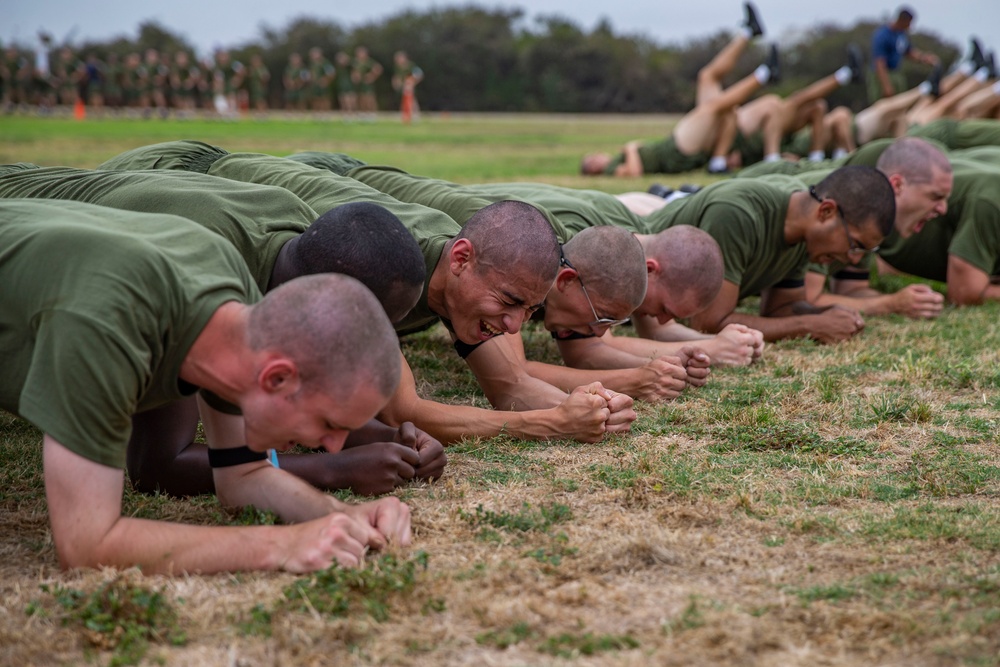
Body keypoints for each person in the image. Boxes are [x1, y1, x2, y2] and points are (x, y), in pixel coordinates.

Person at [97, 141, 637, 445]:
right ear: (461, 260)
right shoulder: (390, 269)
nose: (519, 325)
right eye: (510, 303)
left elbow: (509, 383)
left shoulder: (465, 281)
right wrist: (552, 423)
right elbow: (402, 412)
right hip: (175, 172)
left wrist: (585, 404)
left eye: (529, 309)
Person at [1, 198, 411, 574]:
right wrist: (281, 546)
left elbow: (242, 475)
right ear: (277, 378)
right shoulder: (107, 324)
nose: (337, 445)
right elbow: (86, 546)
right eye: (328, 422)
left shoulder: (236, 309)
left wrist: (337, 515)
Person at [0, 162, 443, 498]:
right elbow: (157, 464)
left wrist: (380, 438)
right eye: (368, 324)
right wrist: (337, 470)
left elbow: (257, 433)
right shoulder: (197, 279)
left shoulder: (301, 242)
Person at [641, 166, 896, 342]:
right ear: (826, 212)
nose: (853, 259)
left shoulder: (804, 238)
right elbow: (707, 323)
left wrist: (828, 314)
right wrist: (810, 326)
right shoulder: (737, 213)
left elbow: (780, 308)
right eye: (855, 244)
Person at [581, 3, 774, 176]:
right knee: (712, 108)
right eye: (593, 159)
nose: (598, 155)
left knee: (707, 78)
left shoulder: (617, 159)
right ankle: (764, 75)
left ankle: (749, 32)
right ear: (592, 169)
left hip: (679, 144)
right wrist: (631, 149)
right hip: (678, 151)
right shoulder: (611, 169)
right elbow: (634, 172)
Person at [869, 6, 939, 102]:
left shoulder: (901, 35)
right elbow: (879, 62)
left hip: (896, 73)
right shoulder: (882, 35)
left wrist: (924, 58)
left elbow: (909, 51)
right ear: (902, 20)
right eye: (909, 23)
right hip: (883, 74)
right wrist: (886, 86)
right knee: (882, 105)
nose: (910, 26)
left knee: (899, 105)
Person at [352, 46, 383, 119]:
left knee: (369, 98)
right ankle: (363, 113)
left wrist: (372, 76)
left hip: (367, 83)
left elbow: (378, 69)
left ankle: (372, 114)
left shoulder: (369, 62)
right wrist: (355, 77)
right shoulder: (356, 62)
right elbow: (354, 71)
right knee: (361, 98)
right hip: (360, 84)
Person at [392, 51, 423, 123]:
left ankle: (416, 115)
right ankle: (405, 114)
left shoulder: (411, 66)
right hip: (403, 86)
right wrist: (396, 83)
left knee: (412, 100)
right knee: (404, 100)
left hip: (409, 86)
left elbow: (419, 74)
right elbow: (397, 76)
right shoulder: (398, 67)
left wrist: (412, 82)